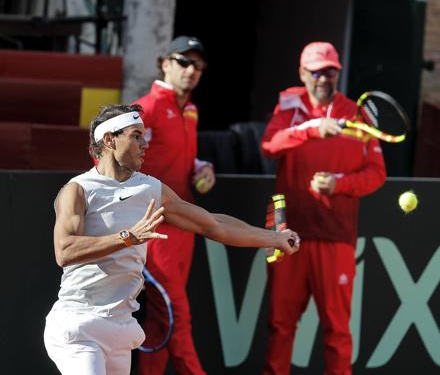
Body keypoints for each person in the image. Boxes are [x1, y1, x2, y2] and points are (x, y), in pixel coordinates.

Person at [43, 104, 300, 375]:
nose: (146, 143)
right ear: (109, 140)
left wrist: (274, 238)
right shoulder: (77, 190)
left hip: (119, 329)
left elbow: (213, 224)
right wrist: (127, 238)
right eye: (136, 136)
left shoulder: (149, 188)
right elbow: (64, 250)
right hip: (79, 327)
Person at [261, 42, 386, 374]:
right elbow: (270, 145)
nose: (323, 79)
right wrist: (312, 130)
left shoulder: (357, 115)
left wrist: (340, 184)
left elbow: (377, 173)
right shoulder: (287, 107)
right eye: (316, 72)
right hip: (285, 231)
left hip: (336, 235)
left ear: (337, 74)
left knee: (337, 331)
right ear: (303, 73)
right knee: (279, 324)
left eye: (329, 72)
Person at [133, 35, 214, 374]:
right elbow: (103, 159)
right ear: (165, 64)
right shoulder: (145, 109)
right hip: (154, 228)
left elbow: (182, 158)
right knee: (175, 314)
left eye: (198, 65)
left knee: (161, 319)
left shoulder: (190, 110)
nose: (191, 71)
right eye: (184, 62)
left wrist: (200, 168)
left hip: (183, 225)